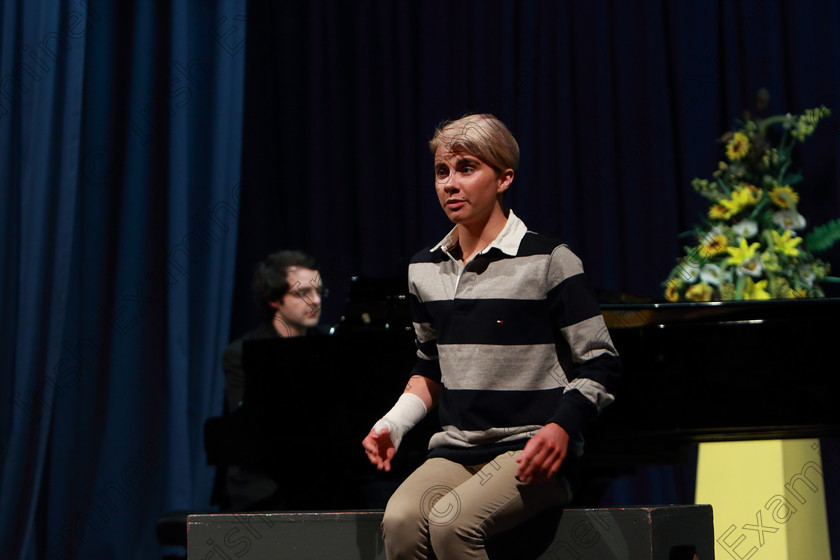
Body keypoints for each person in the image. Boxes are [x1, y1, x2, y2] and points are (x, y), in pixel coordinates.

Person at [361, 114, 622, 559]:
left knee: (451, 525)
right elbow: (430, 365)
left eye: (466, 169)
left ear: (504, 178)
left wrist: (560, 427)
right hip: (457, 450)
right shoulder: (425, 269)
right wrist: (394, 423)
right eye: (442, 172)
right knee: (401, 521)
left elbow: (600, 361)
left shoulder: (549, 260)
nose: (450, 184)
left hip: (530, 450)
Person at [221, 249, 326, 511]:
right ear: (273, 300)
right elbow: (253, 427)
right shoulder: (242, 352)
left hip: (322, 468)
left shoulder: (329, 345)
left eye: (318, 292)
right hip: (264, 475)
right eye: (303, 293)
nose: (315, 301)